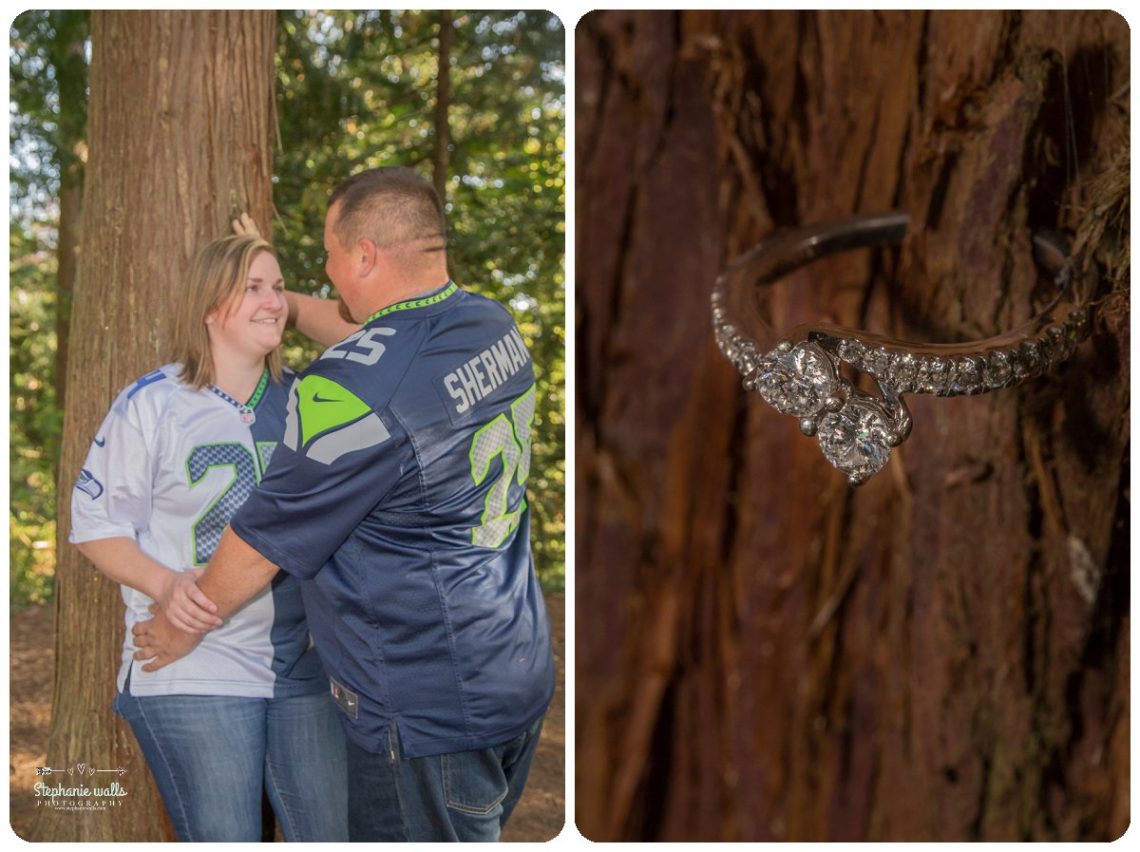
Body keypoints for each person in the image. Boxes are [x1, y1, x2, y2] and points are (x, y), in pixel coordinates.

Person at [134, 166, 555, 842]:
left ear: (365, 255)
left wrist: (186, 624)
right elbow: (382, 349)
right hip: (514, 669)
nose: (326, 272)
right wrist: (284, 305)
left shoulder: (345, 394)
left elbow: (264, 539)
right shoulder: (486, 323)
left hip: (425, 712)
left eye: (330, 252)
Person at [69, 233, 352, 842]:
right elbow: (97, 527)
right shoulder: (151, 403)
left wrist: (297, 307)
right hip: (194, 661)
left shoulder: (311, 401)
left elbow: (393, 343)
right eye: (252, 288)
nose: (273, 301)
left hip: (304, 664)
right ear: (207, 304)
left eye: (277, 288)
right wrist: (165, 583)